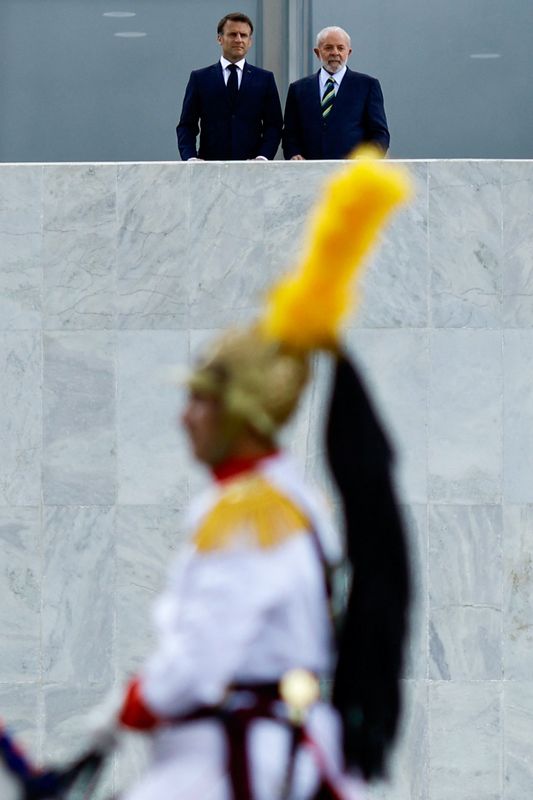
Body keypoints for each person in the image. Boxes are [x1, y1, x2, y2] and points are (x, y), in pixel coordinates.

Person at [115, 155, 412, 800]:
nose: (184, 417)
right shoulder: (283, 500)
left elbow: (198, 660)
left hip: (235, 770)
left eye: (200, 400)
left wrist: (137, 699)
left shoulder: (250, 512)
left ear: (241, 413)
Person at [177, 12, 283, 161]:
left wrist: (263, 157)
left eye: (244, 35)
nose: (238, 40)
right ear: (220, 38)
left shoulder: (265, 79)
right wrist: (191, 159)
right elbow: (187, 125)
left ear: (250, 41)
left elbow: (274, 125)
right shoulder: (200, 78)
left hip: (252, 168)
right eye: (233, 34)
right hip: (210, 167)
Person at [282, 26, 390, 160]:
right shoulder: (298, 89)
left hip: (352, 173)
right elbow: (290, 134)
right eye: (328, 48)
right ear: (317, 52)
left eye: (340, 48)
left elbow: (380, 133)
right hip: (308, 172)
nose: (335, 52)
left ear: (348, 52)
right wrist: (294, 154)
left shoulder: (367, 86)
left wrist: (368, 158)